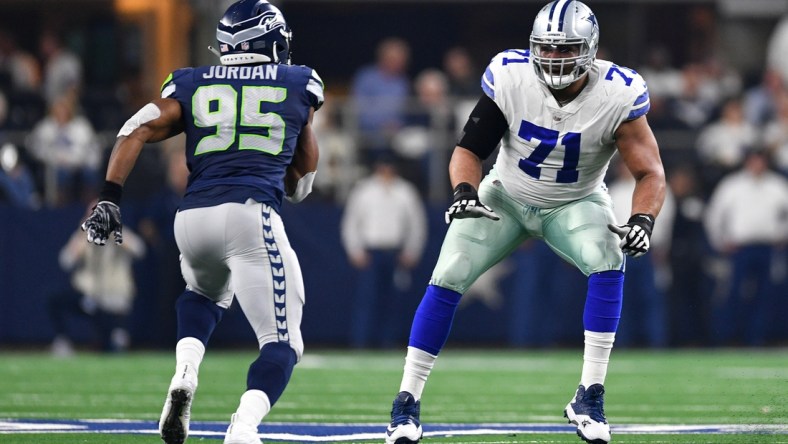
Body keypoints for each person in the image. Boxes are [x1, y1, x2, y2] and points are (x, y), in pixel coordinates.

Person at [384, 2, 666, 444]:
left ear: (588, 49)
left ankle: (590, 395)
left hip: (575, 202)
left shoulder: (619, 92)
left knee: (609, 258)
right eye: (546, 50)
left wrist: (643, 219)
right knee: (449, 271)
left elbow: (650, 173)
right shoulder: (511, 75)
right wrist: (464, 192)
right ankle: (406, 404)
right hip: (506, 197)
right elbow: (469, 149)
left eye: (566, 49)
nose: (554, 60)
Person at [79, 1, 324, 443]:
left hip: (191, 218)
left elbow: (135, 128)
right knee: (283, 344)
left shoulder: (191, 82)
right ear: (269, 40)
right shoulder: (297, 81)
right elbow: (302, 182)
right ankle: (243, 427)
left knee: (203, 294)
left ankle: (185, 373)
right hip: (250, 213)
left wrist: (110, 197)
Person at [340, 153, 427, 348]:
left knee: (393, 300)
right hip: (371, 252)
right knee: (367, 299)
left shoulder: (405, 191)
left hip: (395, 253)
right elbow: (351, 222)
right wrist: (355, 250)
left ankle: (388, 342)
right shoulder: (364, 190)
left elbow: (416, 224)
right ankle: (360, 342)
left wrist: (412, 251)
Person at [703, 149, 788, 346]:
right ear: (747, 162)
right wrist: (720, 241)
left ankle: (757, 338)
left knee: (766, 295)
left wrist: (782, 235)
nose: (757, 165)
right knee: (734, 293)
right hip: (739, 249)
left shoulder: (777, 185)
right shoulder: (732, 185)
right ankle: (730, 337)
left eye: (761, 161)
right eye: (754, 160)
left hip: (768, 248)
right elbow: (714, 216)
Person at [49, 214, 146, 356]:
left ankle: (114, 339)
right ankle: (63, 341)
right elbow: (65, 261)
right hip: (89, 297)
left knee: (111, 346)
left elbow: (140, 249)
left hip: (113, 298)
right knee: (55, 298)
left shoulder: (118, 231)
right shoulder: (83, 235)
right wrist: (80, 242)